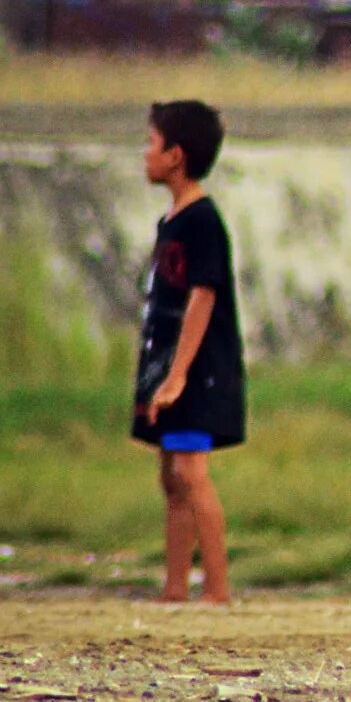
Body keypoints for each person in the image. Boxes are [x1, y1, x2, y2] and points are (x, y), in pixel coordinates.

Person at [132, 99, 246, 605]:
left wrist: (178, 375)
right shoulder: (171, 221)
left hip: (198, 369)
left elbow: (204, 294)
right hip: (166, 363)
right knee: (169, 475)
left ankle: (217, 590)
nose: (144, 153)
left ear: (175, 155)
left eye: (151, 143)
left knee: (190, 472)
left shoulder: (202, 220)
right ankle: (175, 589)